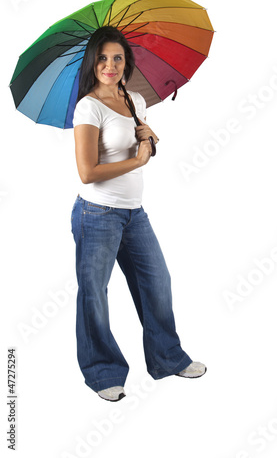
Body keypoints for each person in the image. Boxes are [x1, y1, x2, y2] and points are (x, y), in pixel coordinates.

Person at [70, 26, 206, 402]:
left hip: (134, 214)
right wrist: (137, 159)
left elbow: (138, 145)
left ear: (127, 61)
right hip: (96, 214)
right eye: (102, 58)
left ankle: (167, 359)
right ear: (92, 63)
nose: (110, 65)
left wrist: (148, 137)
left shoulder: (134, 100)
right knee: (94, 295)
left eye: (117, 57)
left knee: (157, 284)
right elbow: (88, 172)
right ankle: (103, 373)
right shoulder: (88, 106)